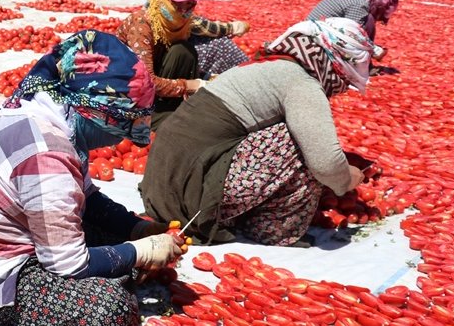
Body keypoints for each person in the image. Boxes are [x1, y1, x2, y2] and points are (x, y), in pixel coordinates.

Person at [0, 30, 184, 326]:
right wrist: (137, 253)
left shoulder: (45, 113)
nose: (118, 140)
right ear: (96, 111)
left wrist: (135, 229)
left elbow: (87, 200)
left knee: (105, 236)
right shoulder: (48, 154)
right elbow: (68, 265)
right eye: (120, 125)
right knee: (109, 311)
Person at [139, 18, 374, 248]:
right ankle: (273, 230)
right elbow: (326, 163)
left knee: (303, 136)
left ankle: (236, 212)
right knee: (299, 144)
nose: (340, 88)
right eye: (343, 81)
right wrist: (345, 179)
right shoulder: (301, 82)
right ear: (335, 64)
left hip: (162, 186)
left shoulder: (272, 66)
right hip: (186, 199)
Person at [115, 0, 204, 127]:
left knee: (184, 51)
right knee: (187, 124)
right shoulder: (142, 24)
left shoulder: (183, 23)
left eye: (189, 4)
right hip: (126, 89)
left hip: (155, 83)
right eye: (177, 3)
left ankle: (167, 108)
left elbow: (212, 28)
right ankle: (152, 116)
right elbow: (144, 81)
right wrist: (189, 85)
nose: (183, 10)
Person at [162, 0, 250, 79]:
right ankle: (242, 78)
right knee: (218, 44)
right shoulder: (161, 10)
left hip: (169, 57)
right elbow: (198, 25)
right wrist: (231, 28)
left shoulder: (170, 3)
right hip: (164, 62)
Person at [307, 0, 400, 61]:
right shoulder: (360, 4)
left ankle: (365, 61)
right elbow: (353, 33)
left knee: (367, 21)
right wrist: (374, 50)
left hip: (314, 28)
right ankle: (360, 63)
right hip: (314, 37)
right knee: (369, 21)